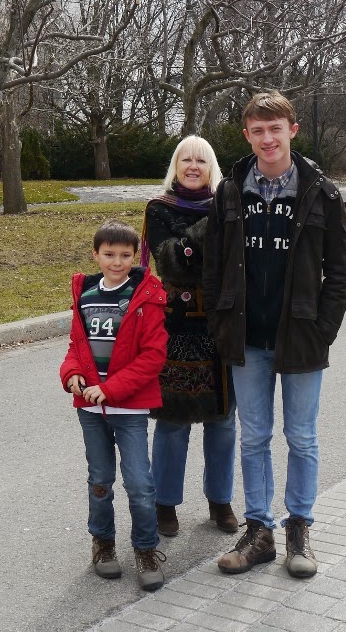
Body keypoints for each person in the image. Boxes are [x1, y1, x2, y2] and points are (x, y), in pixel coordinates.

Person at [203, 91, 346, 579]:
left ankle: (299, 529)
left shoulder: (321, 192)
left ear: (292, 130)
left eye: (276, 128)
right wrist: (219, 322)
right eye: (258, 130)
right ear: (247, 134)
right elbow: (212, 265)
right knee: (254, 438)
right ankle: (259, 531)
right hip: (247, 339)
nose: (268, 138)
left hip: (302, 338)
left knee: (302, 437)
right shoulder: (229, 191)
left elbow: (341, 270)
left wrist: (323, 329)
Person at [60, 219, 168, 592]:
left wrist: (112, 389)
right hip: (90, 410)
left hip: (130, 410)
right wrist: (72, 374)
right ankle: (103, 543)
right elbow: (77, 346)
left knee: (139, 483)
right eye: (109, 254)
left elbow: (154, 356)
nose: (117, 262)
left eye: (125, 255)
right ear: (96, 254)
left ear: (135, 256)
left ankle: (146, 548)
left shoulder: (145, 297)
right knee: (100, 479)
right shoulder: (86, 295)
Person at [142, 135, 238, 539]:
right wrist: (208, 228)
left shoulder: (228, 208)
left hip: (220, 326)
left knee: (222, 420)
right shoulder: (159, 209)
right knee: (172, 421)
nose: (193, 166)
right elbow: (170, 261)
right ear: (176, 166)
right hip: (176, 327)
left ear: (211, 165)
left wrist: (196, 241)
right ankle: (165, 504)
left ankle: (220, 501)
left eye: (201, 159)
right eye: (186, 159)